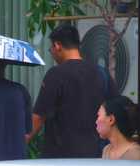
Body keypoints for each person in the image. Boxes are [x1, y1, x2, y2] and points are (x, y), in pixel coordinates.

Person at [26, 24, 106, 158]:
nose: (51, 53)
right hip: (93, 154)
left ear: (57, 45)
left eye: (50, 49)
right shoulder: (100, 73)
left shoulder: (56, 74)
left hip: (61, 156)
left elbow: (39, 116)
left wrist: (24, 140)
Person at [96, 96, 140, 160]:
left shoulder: (136, 154)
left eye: (98, 115)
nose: (96, 122)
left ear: (111, 120)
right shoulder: (107, 150)